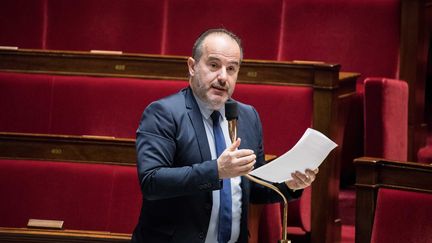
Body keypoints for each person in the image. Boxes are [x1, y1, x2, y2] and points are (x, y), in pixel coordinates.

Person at [132, 28, 319, 243]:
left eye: (231, 69)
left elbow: (254, 187)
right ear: (192, 67)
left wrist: (289, 185)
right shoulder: (164, 113)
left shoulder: (247, 116)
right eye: (213, 65)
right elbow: (152, 182)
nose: (223, 77)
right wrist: (217, 170)